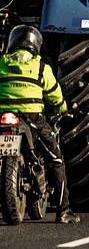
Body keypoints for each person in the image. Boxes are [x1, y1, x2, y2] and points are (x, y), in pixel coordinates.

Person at [0, 26, 78, 223]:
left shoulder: (1, 62)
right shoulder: (41, 66)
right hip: (32, 118)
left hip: (3, 116)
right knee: (56, 160)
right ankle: (64, 211)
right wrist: (62, 109)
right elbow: (55, 95)